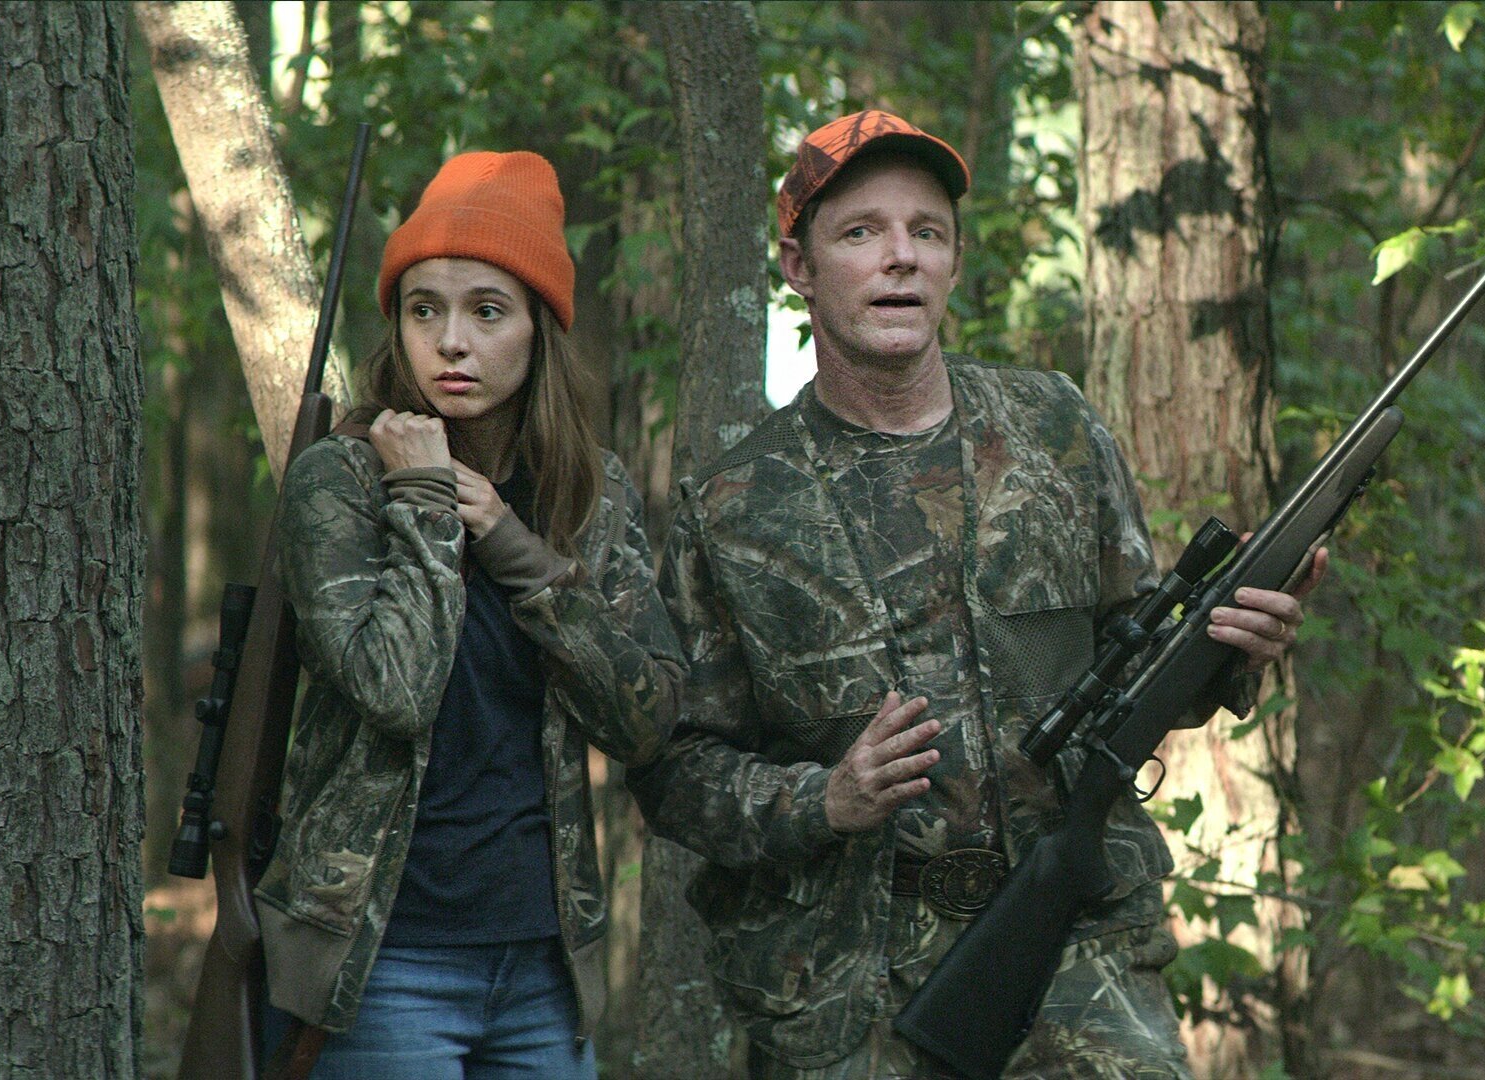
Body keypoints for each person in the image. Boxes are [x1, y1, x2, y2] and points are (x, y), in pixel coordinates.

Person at [628, 110, 1325, 1079]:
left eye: (927, 231)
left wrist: (1231, 644)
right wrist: (823, 799)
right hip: (844, 980)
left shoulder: (1054, 428)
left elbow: (1139, 661)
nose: (900, 257)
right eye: (861, 231)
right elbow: (673, 771)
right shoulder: (733, 505)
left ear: (954, 262)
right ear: (798, 267)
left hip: (1077, 943)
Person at [255, 149, 683, 1078]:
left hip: (544, 962)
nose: (452, 341)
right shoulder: (342, 480)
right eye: (425, 310)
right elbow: (396, 691)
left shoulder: (591, 491)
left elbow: (646, 720)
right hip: (382, 963)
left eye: (487, 311)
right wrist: (421, 502)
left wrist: (517, 548)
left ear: (539, 328)